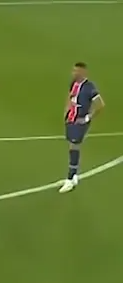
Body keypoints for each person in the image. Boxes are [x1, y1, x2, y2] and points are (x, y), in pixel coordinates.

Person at [59, 62, 105, 193]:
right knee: (72, 146)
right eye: (73, 71)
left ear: (83, 72)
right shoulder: (73, 84)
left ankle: (69, 179)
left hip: (80, 122)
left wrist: (87, 118)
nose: (74, 73)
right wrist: (66, 112)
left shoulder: (89, 87)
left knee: (74, 145)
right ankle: (74, 175)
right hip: (71, 120)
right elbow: (70, 97)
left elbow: (100, 104)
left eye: (76, 71)